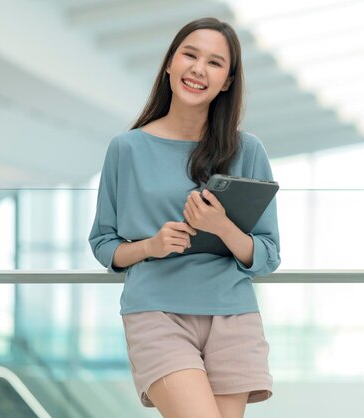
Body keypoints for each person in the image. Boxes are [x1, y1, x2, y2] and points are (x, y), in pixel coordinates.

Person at [89, 17, 280, 418]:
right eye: (189, 55)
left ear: (227, 81)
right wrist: (150, 246)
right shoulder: (126, 148)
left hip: (232, 313)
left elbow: (267, 254)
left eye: (214, 63)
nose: (198, 69)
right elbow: (104, 243)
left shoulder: (248, 150)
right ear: (169, 65)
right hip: (156, 310)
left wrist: (222, 227)